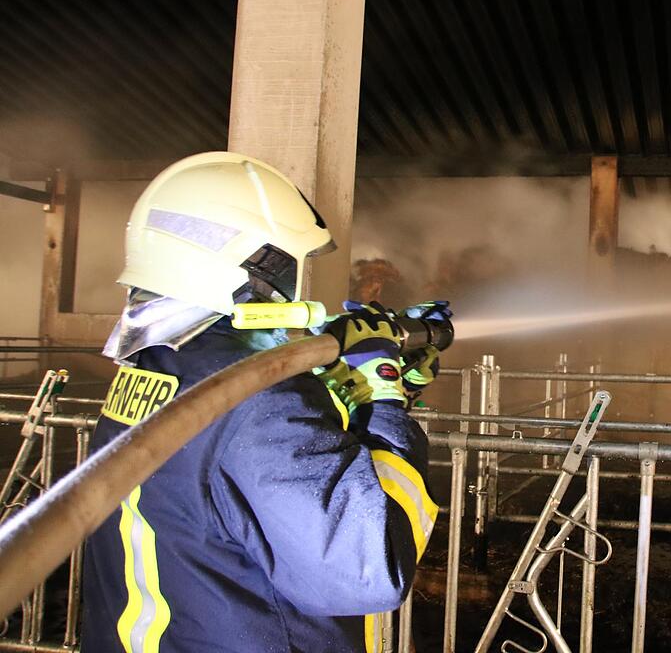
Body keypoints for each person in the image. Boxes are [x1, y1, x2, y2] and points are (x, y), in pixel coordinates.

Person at [81, 151, 439, 653]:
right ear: (251, 266)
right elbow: (365, 567)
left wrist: (345, 394)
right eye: (284, 266)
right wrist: (386, 406)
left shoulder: (157, 366)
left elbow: (229, 481)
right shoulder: (253, 392)